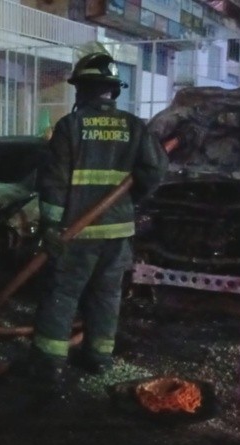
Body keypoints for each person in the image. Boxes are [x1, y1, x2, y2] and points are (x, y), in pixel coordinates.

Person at [26, 51, 168, 388]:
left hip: (77, 234)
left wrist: (51, 227)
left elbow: (55, 183)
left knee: (62, 294)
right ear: (112, 90)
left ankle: (49, 364)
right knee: (106, 296)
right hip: (117, 234)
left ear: (84, 89)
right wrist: (130, 202)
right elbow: (155, 170)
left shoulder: (70, 126)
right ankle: (98, 358)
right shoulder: (134, 126)